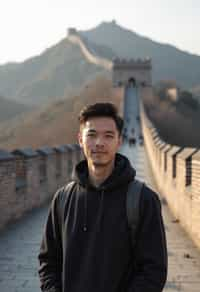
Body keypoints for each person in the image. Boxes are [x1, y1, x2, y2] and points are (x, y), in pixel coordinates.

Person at [38, 102, 168, 292]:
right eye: (91, 135)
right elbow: (48, 262)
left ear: (119, 141)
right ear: (80, 140)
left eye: (108, 136)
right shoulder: (63, 199)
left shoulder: (143, 200)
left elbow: (153, 271)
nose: (99, 142)